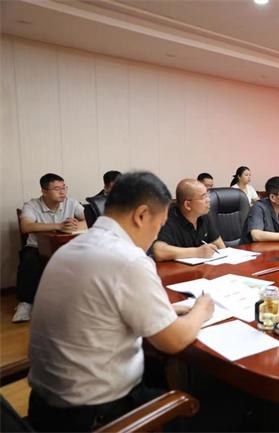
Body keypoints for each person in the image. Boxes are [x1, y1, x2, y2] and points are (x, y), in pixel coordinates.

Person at [27, 171, 214, 432]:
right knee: (212, 408)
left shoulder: (73, 247)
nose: (156, 235)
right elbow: (174, 341)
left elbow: (100, 310)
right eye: (159, 225)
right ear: (141, 215)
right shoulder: (128, 259)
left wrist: (167, 310)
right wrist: (202, 309)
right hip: (98, 414)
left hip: (45, 409)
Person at [13, 173, 87, 323]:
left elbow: (91, 220)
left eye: (64, 187)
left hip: (66, 247)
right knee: (29, 259)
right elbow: (26, 226)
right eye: (57, 189)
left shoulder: (71, 203)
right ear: (44, 191)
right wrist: (59, 226)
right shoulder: (31, 205)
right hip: (37, 248)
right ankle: (25, 304)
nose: (62, 192)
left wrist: (75, 224)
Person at [152, 179, 225, 261]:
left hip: (202, 267)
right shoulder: (168, 218)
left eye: (207, 194)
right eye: (203, 197)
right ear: (188, 205)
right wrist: (197, 252)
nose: (208, 200)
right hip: (176, 268)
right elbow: (159, 251)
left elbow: (219, 244)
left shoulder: (203, 214)